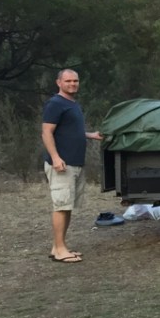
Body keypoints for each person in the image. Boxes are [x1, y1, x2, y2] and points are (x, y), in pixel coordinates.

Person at [41, 69, 103, 264]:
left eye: (75, 81)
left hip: (75, 163)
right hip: (62, 164)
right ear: (58, 82)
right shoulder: (55, 103)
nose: (72, 84)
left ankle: (58, 246)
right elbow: (47, 132)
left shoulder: (72, 104)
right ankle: (60, 250)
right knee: (61, 206)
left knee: (67, 206)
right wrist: (56, 158)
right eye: (68, 81)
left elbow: (70, 130)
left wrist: (91, 135)